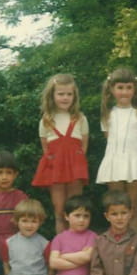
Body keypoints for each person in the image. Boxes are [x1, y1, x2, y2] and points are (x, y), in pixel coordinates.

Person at [95, 67, 137, 232]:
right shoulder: (107, 114)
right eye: (120, 88)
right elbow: (109, 138)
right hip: (114, 162)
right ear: (112, 89)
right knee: (115, 206)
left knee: (132, 207)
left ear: (135, 89)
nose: (124, 92)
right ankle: (116, 244)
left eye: (129, 88)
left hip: (135, 162)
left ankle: (134, 244)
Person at [31, 72, 89, 233]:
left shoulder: (80, 118)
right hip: (55, 169)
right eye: (61, 94)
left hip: (75, 168)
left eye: (69, 94)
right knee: (59, 210)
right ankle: (61, 243)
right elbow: (46, 149)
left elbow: (84, 145)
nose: (65, 98)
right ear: (52, 95)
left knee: (76, 208)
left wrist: (76, 163)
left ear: (74, 96)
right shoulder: (46, 120)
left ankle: (77, 241)